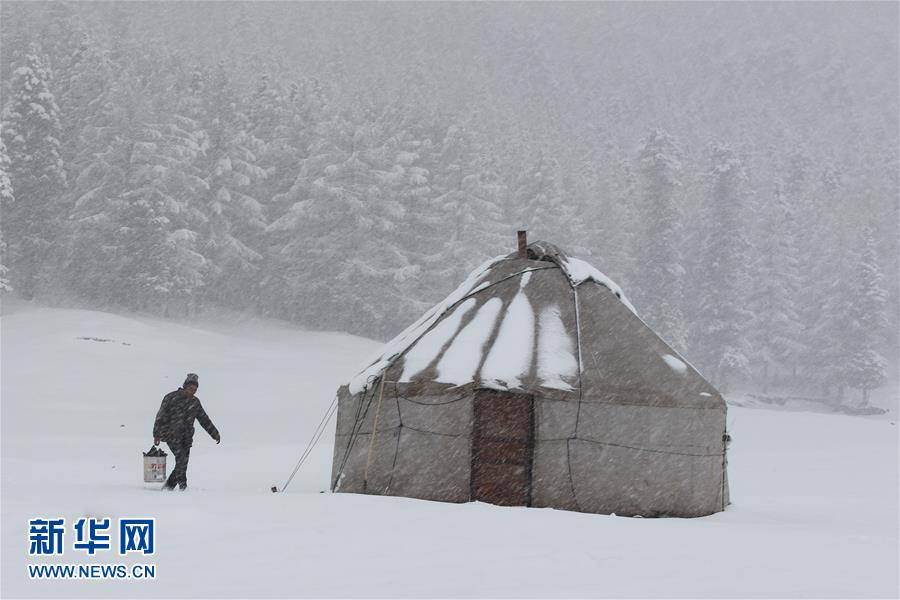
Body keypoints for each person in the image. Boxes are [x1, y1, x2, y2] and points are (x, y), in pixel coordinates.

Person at [153, 373, 220, 490]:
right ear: (184, 386)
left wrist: (214, 433)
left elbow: (204, 419)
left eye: (195, 389)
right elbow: (161, 415)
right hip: (170, 434)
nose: (192, 391)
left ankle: (170, 486)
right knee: (181, 460)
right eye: (190, 388)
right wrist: (156, 434)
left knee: (183, 463)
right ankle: (183, 486)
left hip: (186, 437)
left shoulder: (195, 403)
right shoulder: (171, 397)